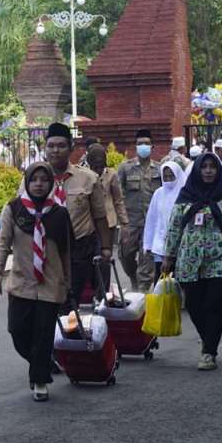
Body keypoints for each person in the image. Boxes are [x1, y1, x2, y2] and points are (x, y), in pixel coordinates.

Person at [0, 163, 72, 401]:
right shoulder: (13, 210)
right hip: (21, 283)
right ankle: (41, 361)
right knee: (18, 331)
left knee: (44, 334)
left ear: (51, 184)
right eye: (34, 179)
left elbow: (66, 252)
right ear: (26, 181)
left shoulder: (59, 213)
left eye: (44, 180)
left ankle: (39, 380)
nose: (38, 184)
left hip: (50, 284)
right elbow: (1, 244)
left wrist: (68, 283)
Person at [163, 153, 222, 371]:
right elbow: (174, 228)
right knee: (193, 304)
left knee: (214, 304)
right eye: (204, 167)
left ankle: (209, 352)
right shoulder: (185, 196)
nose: (208, 171)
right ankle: (208, 337)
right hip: (191, 258)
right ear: (197, 171)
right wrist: (168, 256)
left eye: (213, 167)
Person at [45, 123, 110, 307]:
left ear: (71, 148)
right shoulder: (36, 178)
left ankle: (66, 330)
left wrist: (105, 248)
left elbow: (99, 216)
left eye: (61, 146)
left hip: (79, 248)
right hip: (46, 248)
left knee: (70, 299)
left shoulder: (88, 178)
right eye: (51, 146)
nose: (55, 151)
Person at [117, 129, 162, 292]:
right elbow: (117, 195)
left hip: (151, 224)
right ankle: (133, 278)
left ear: (152, 146)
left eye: (147, 144)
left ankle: (142, 292)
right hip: (131, 222)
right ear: (135, 146)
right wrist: (122, 222)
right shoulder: (125, 168)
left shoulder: (159, 169)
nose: (143, 146)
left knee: (147, 258)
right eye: (140, 143)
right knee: (125, 255)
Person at [86, 143, 129, 293]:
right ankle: (92, 291)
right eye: (94, 166)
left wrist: (124, 223)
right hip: (89, 223)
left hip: (108, 224)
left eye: (100, 166)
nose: (97, 170)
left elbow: (118, 200)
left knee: (105, 259)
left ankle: (103, 293)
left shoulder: (112, 175)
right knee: (91, 259)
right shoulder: (84, 175)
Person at [142, 162, 185, 277]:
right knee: (161, 281)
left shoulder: (184, 194)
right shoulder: (159, 193)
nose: (169, 179)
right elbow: (152, 219)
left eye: (172, 176)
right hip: (160, 245)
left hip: (180, 246)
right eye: (165, 177)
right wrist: (148, 244)